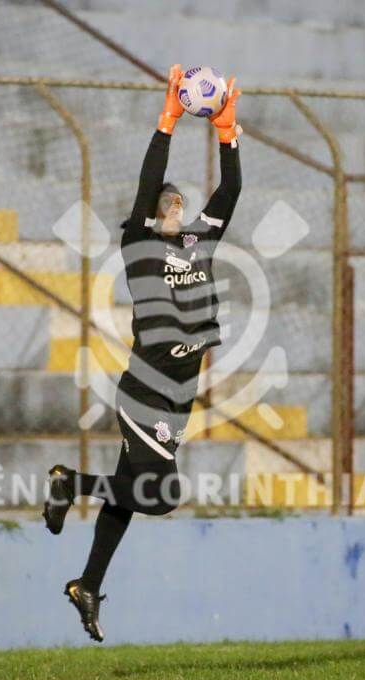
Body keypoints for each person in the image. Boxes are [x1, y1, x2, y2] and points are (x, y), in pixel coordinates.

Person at [42, 64, 242, 642]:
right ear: (156, 212)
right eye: (168, 202)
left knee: (129, 495)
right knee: (162, 495)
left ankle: (86, 584)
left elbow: (231, 192)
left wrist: (228, 132)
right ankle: (70, 483)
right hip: (149, 389)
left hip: (178, 395)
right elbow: (147, 180)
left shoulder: (196, 241)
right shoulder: (140, 241)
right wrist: (169, 120)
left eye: (180, 200)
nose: (176, 206)